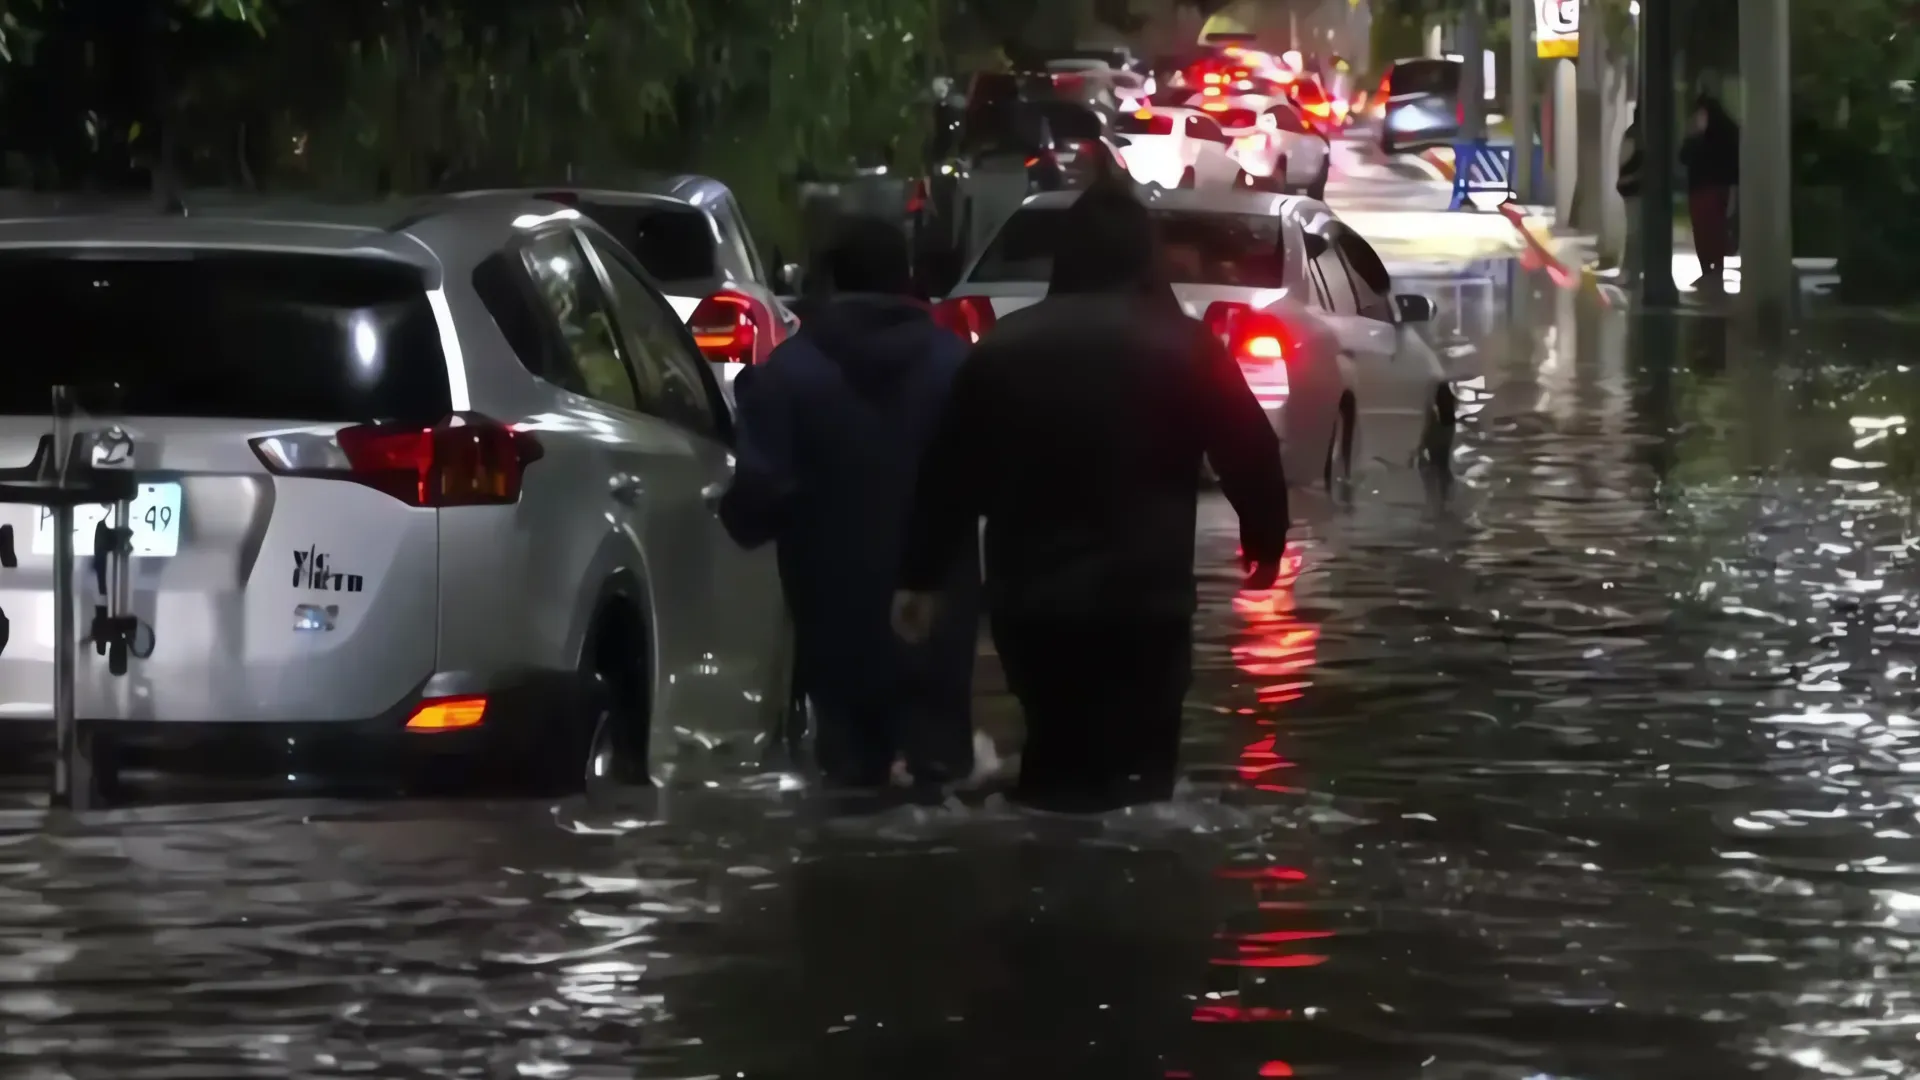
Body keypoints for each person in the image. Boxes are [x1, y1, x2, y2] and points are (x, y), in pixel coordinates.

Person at [891, 177, 1291, 814]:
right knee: (1146, 790)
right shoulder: (1186, 347)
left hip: (1034, 607)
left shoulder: (1002, 350)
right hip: (1145, 606)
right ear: (1146, 256)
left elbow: (950, 473)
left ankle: (1050, 891)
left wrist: (921, 577)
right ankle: (1137, 895)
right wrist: (1265, 541)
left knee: (1052, 771)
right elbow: (1250, 451)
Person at [719, 215, 980, 791]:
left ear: (830, 283)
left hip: (833, 633)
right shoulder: (958, 368)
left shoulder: (786, 376)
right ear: (907, 282)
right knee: (941, 793)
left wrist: (728, 513)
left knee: (846, 793)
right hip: (937, 623)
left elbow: (755, 504)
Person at [1680, 92, 1739, 288]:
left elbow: (1685, 156)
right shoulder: (1727, 131)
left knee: (1706, 230)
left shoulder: (1705, 136)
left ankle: (1709, 269)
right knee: (1715, 229)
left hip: (1704, 188)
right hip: (1716, 187)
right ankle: (1715, 270)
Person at [1615, 104, 1642, 286]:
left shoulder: (1632, 135)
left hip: (1630, 189)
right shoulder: (1637, 137)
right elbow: (1627, 164)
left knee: (1634, 233)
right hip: (1634, 190)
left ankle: (1631, 271)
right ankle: (1631, 271)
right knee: (1634, 233)